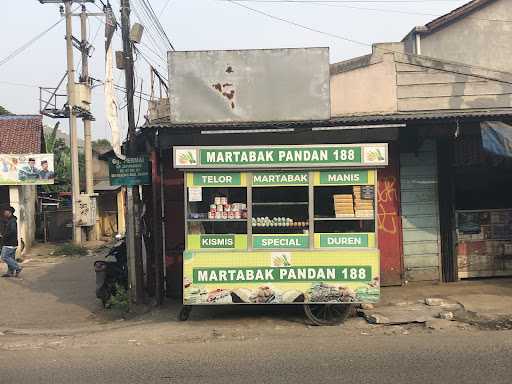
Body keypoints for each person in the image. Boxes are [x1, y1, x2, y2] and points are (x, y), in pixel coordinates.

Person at [0, 206, 21, 277]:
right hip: (12, 243)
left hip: (9, 243)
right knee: (11, 258)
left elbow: (12, 231)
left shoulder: (12, 221)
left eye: (5, 211)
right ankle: (10, 272)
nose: (4, 213)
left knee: (4, 257)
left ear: (9, 212)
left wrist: (4, 236)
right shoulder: (10, 220)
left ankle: (18, 268)